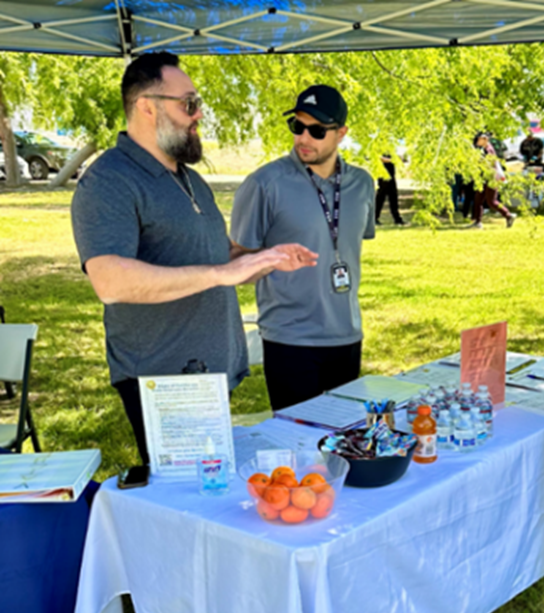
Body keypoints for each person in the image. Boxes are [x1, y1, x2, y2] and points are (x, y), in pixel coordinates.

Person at [71, 52, 317, 469]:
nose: (198, 114)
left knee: (215, 491)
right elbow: (110, 281)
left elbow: (217, 257)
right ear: (147, 106)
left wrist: (264, 258)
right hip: (164, 383)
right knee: (189, 499)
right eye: (188, 104)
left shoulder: (189, 179)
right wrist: (223, 272)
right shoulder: (109, 180)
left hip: (212, 372)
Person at [230, 85, 375, 411]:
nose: (303, 138)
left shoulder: (363, 184)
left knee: (343, 443)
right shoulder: (264, 184)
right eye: (297, 126)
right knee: (299, 444)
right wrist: (270, 260)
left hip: (347, 334)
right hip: (289, 339)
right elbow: (233, 262)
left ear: (341, 133)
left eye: (316, 130)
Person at [470, 132, 516, 229]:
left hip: (491, 177)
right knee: (478, 199)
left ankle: (508, 215)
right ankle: (477, 222)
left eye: (479, 139)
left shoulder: (489, 149)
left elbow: (489, 163)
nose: (477, 141)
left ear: (484, 139)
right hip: (484, 177)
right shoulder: (484, 149)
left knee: (491, 201)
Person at [375, 154, 404, 225]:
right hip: (383, 175)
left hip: (391, 175)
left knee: (393, 196)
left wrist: (398, 157)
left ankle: (397, 219)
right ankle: (374, 218)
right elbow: (379, 158)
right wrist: (393, 160)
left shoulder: (390, 147)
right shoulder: (379, 146)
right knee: (380, 198)